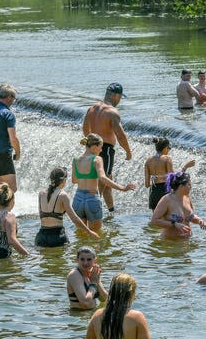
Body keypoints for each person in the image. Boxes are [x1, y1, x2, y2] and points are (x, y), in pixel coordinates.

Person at [82, 83, 133, 213]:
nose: (119, 100)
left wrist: (91, 143)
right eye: (120, 97)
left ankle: (110, 211)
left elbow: (85, 128)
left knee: (102, 179)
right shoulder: (112, 112)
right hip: (106, 150)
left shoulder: (92, 108)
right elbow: (120, 135)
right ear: (115, 95)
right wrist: (128, 151)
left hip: (92, 147)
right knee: (104, 181)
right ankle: (96, 208)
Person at [72, 134, 136, 232]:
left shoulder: (76, 160)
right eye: (100, 147)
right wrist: (122, 188)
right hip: (91, 199)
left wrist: (85, 176)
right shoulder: (97, 159)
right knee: (96, 235)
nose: (101, 150)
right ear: (94, 147)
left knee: (81, 234)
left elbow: (74, 180)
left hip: (78, 200)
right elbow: (103, 178)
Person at [36, 167, 99, 247]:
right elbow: (74, 219)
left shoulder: (41, 194)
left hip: (41, 237)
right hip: (57, 237)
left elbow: (42, 216)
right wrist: (89, 231)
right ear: (64, 181)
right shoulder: (63, 195)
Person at [151, 171, 206, 238]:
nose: (191, 187)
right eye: (189, 184)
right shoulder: (167, 200)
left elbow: (190, 217)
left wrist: (199, 221)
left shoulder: (187, 198)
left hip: (187, 243)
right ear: (181, 186)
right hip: (170, 244)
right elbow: (154, 220)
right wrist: (174, 224)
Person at [144, 137, 195, 210]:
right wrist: (185, 167)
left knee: (156, 219)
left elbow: (147, 185)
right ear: (165, 148)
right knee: (169, 219)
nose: (169, 150)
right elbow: (173, 179)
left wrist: (157, 178)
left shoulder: (148, 161)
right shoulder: (167, 158)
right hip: (165, 191)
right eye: (169, 148)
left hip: (153, 193)